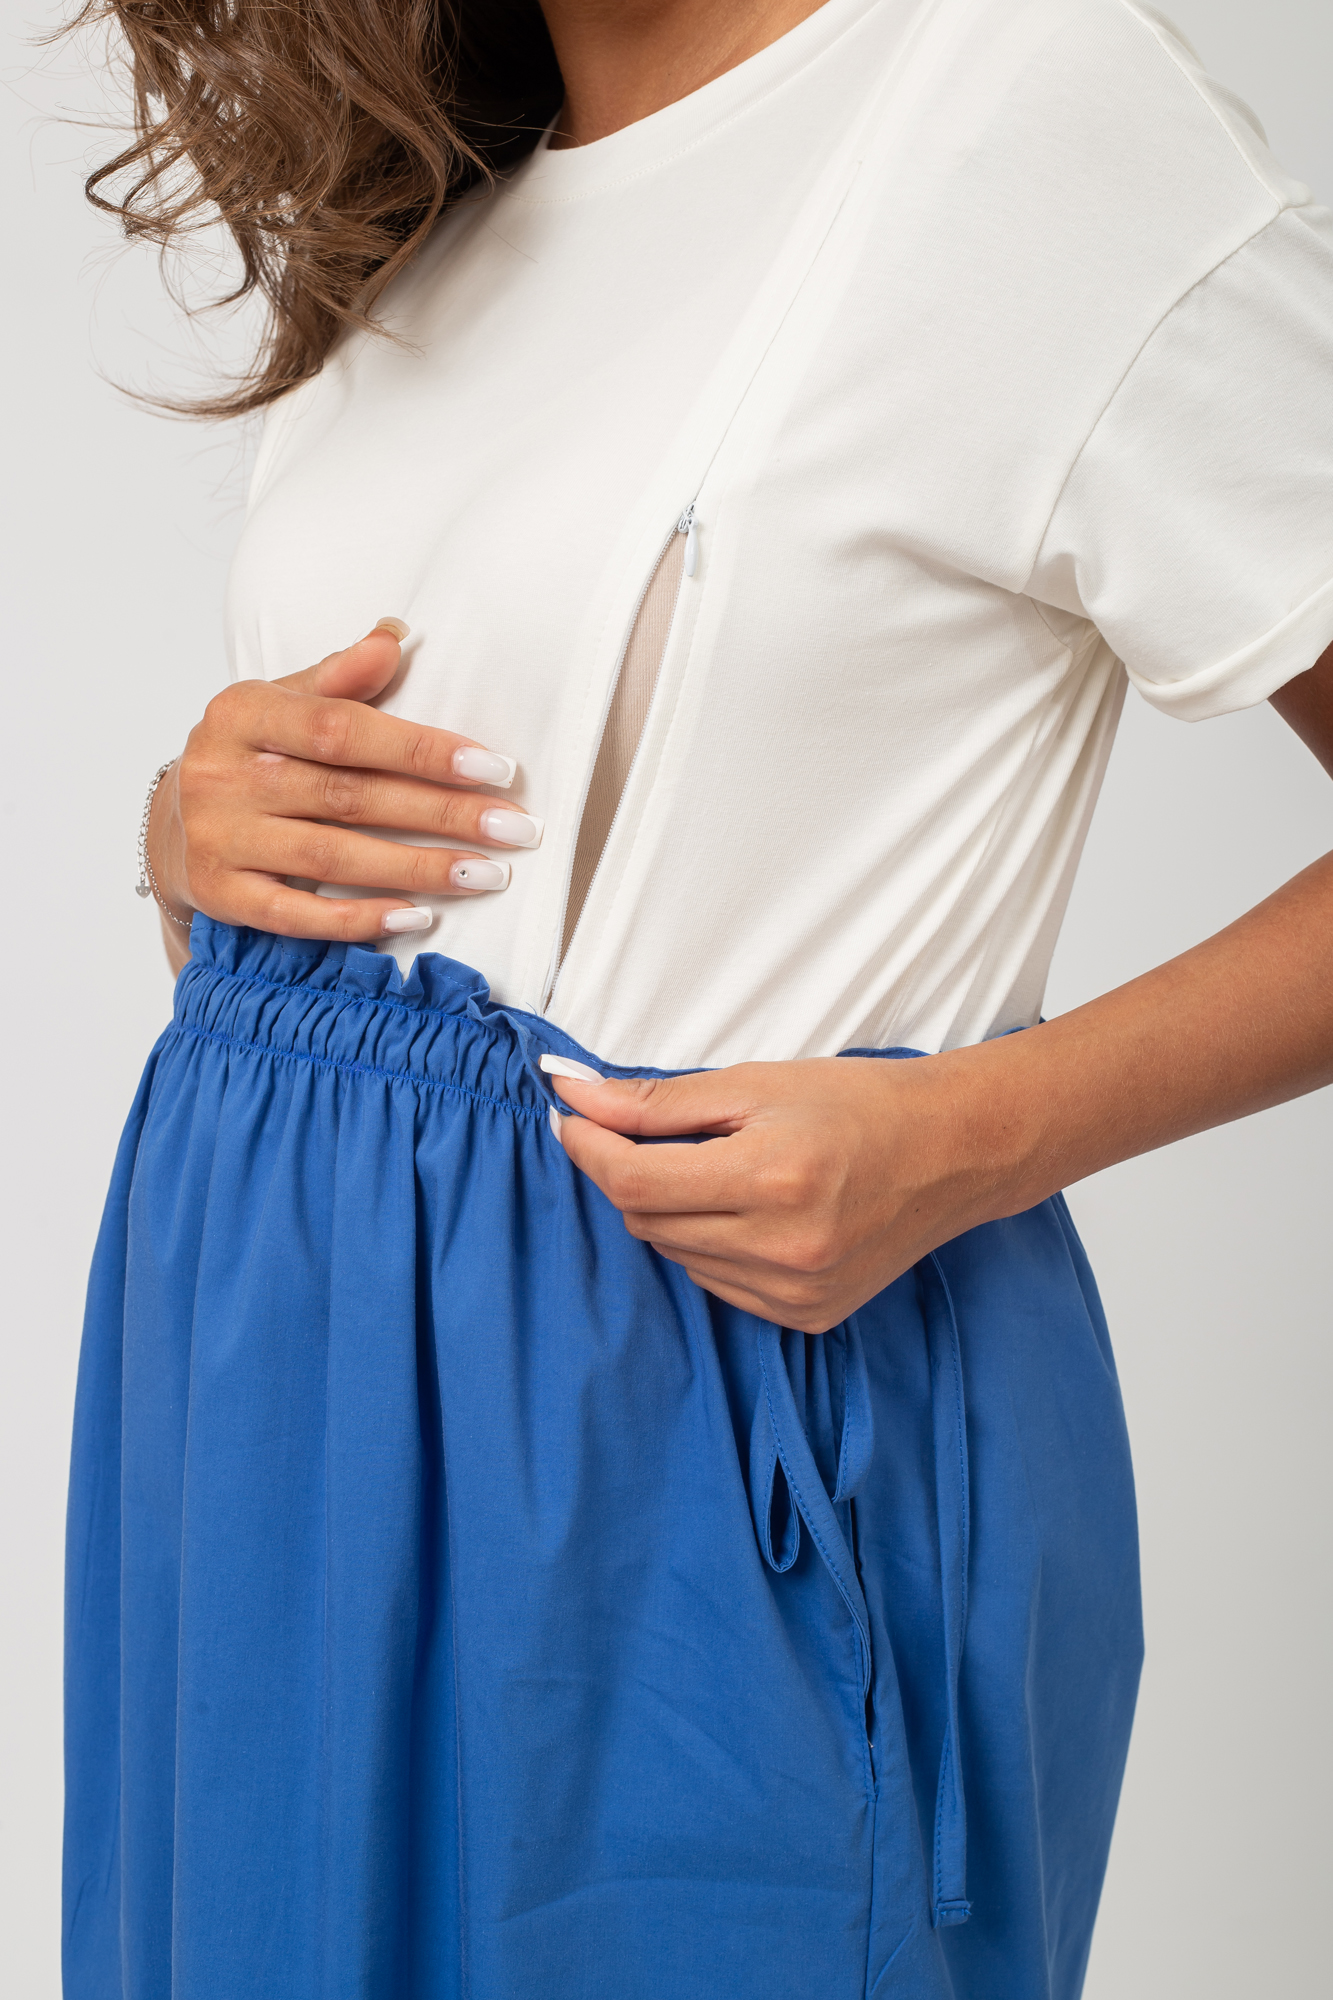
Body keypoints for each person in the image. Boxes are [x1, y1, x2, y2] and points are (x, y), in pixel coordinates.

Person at [63, 0, 1333, 1995]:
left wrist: (976, 1135)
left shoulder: (1019, 108)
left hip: (691, 1408)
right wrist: (192, 840)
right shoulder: (439, 192)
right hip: (253, 1394)